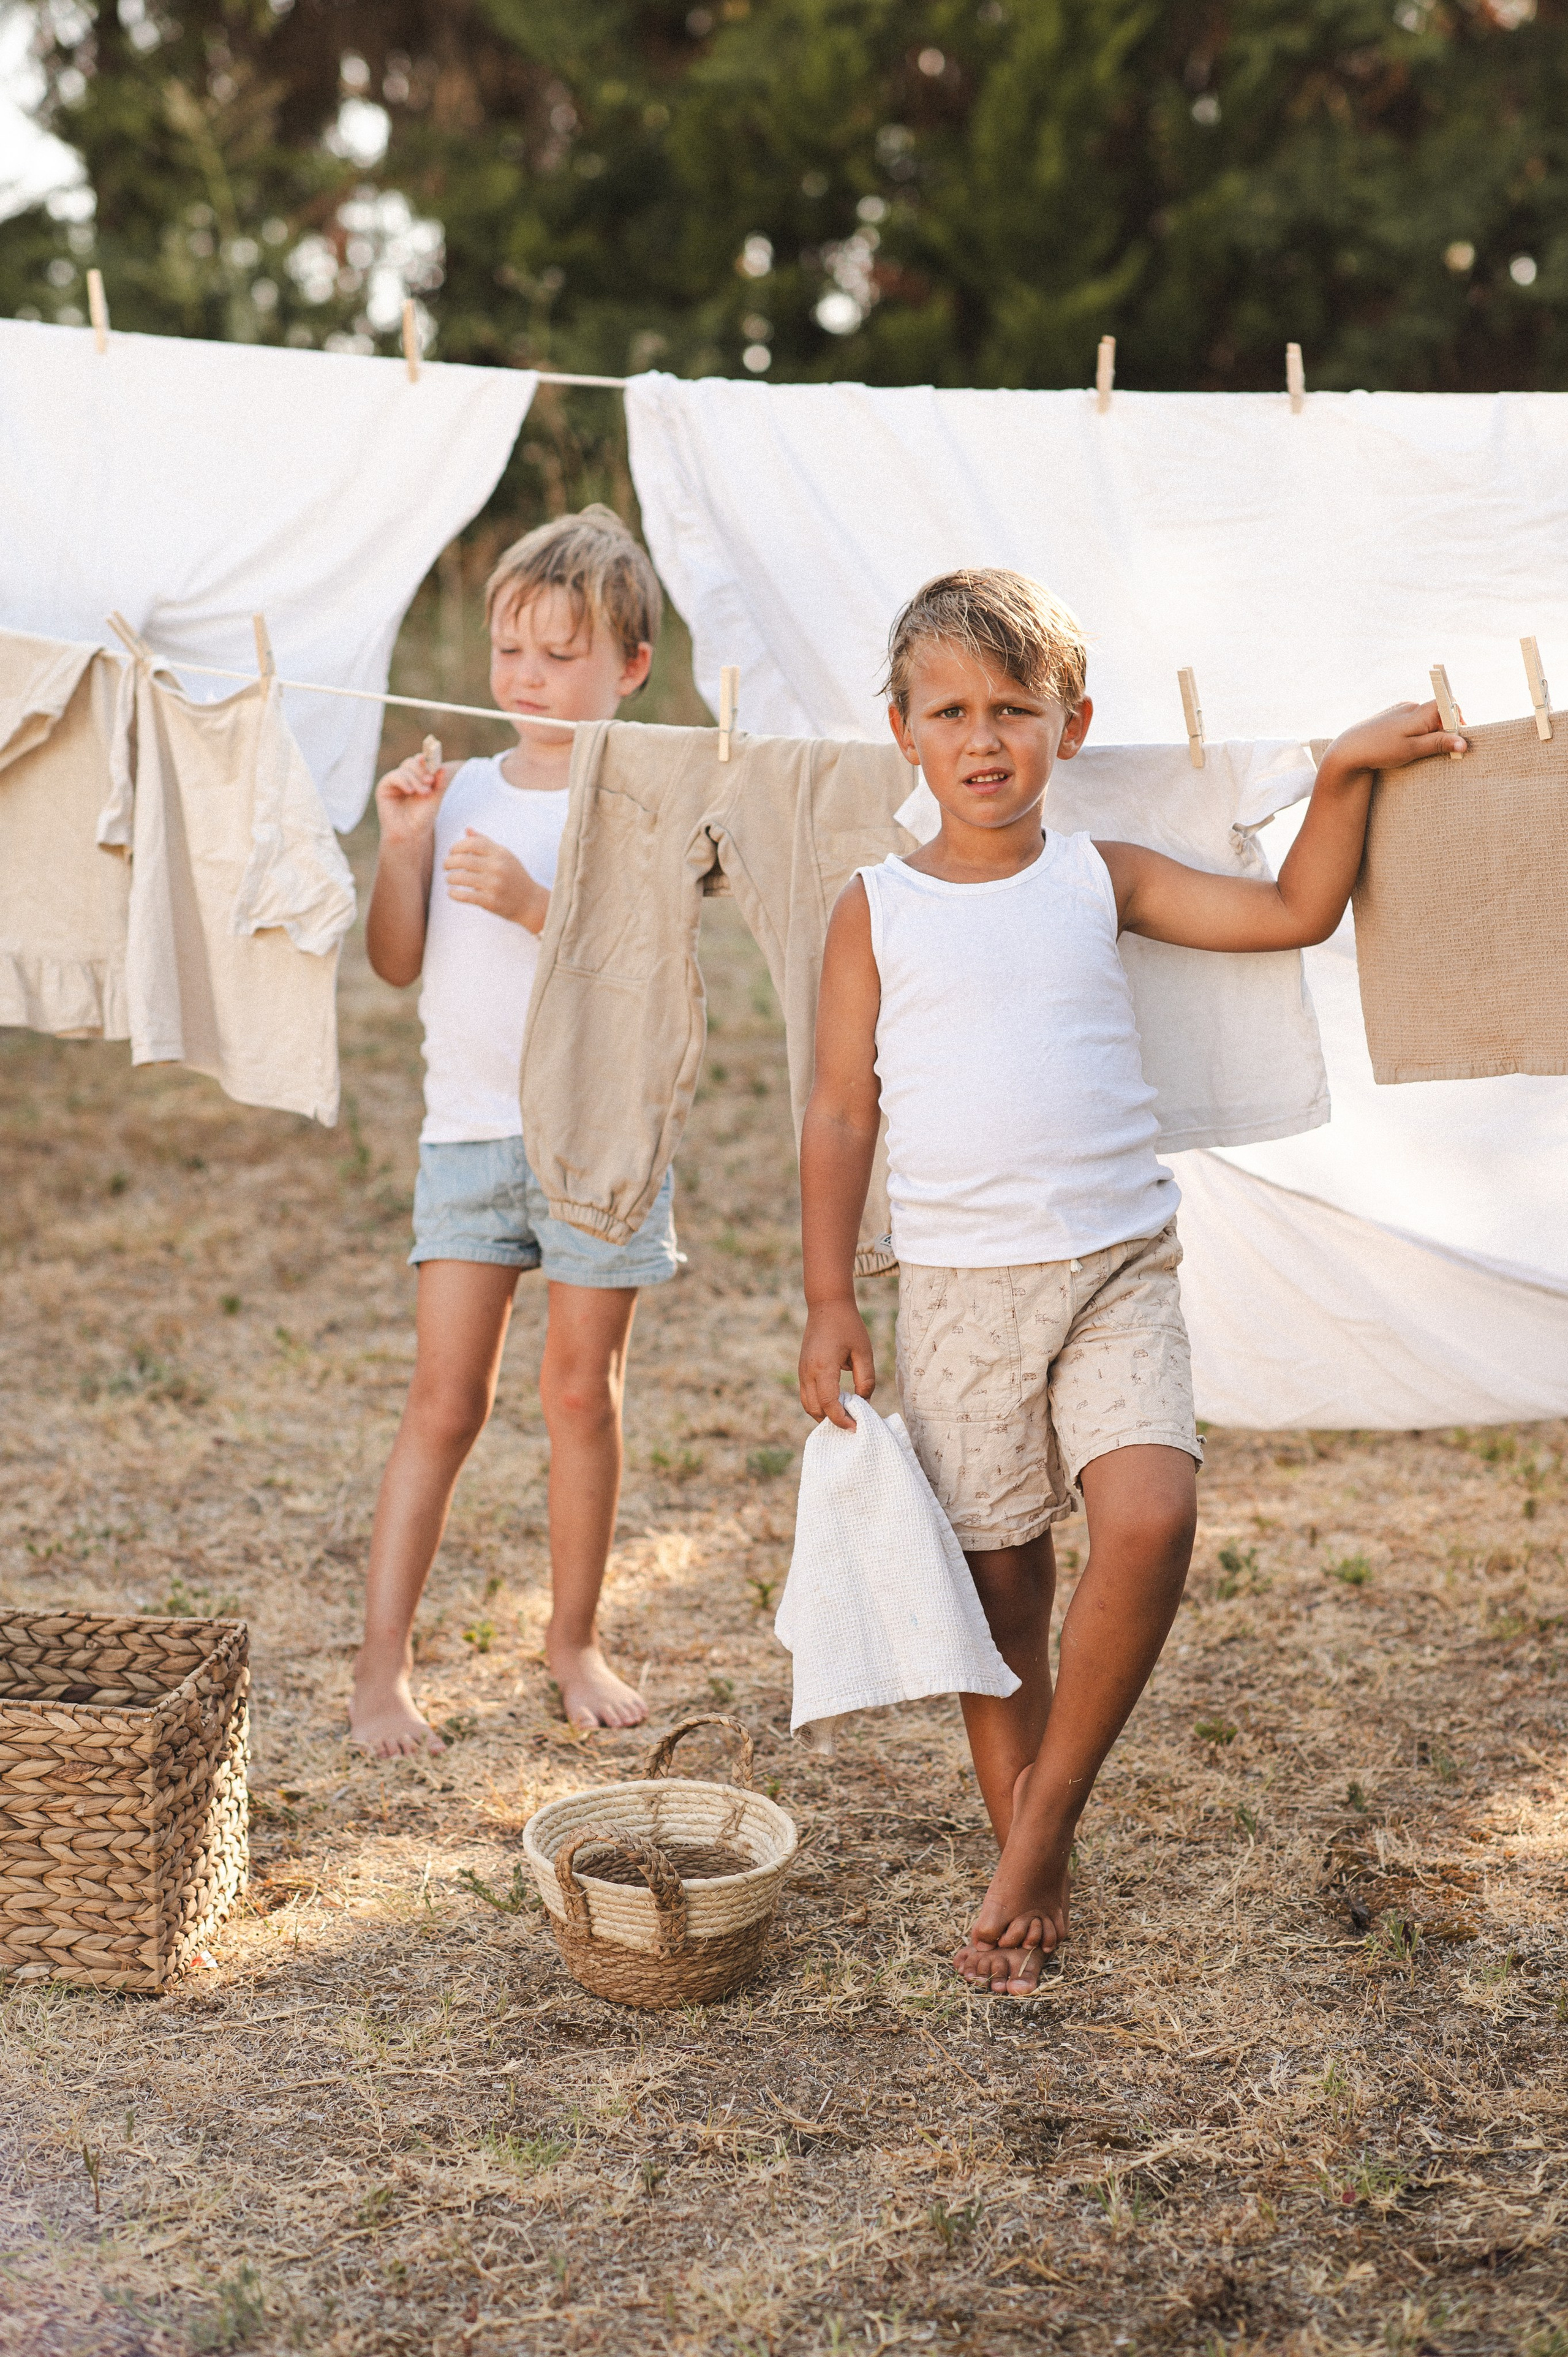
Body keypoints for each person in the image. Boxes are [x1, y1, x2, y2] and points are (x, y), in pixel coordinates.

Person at [796, 567, 1466, 1993]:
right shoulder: (873, 909)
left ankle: (1043, 1822)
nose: (984, 740)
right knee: (1002, 1595)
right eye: (950, 712)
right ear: (903, 734)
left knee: (1150, 1516)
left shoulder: (1098, 877)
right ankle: (1016, 1868)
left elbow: (1293, 911)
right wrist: (825, 1298)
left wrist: (1341, 768)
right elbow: (840, 1111)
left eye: (1013, 710)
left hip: (1115, 1263)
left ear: (1070, 723)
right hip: (960, 1292)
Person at [351, 508, 678, 1755]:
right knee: (442, 1399)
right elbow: (393, 961)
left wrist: (538, 905)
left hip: (597, 1136)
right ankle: (381, 1670)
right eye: (510, 653)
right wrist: (403, 845)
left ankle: (573, 1637)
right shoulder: (463, 788)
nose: (527, 679)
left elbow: (650, 976)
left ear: (630, 667)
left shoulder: (642, 792)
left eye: (559, 655)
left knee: (578, 1393)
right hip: (470, 1136)